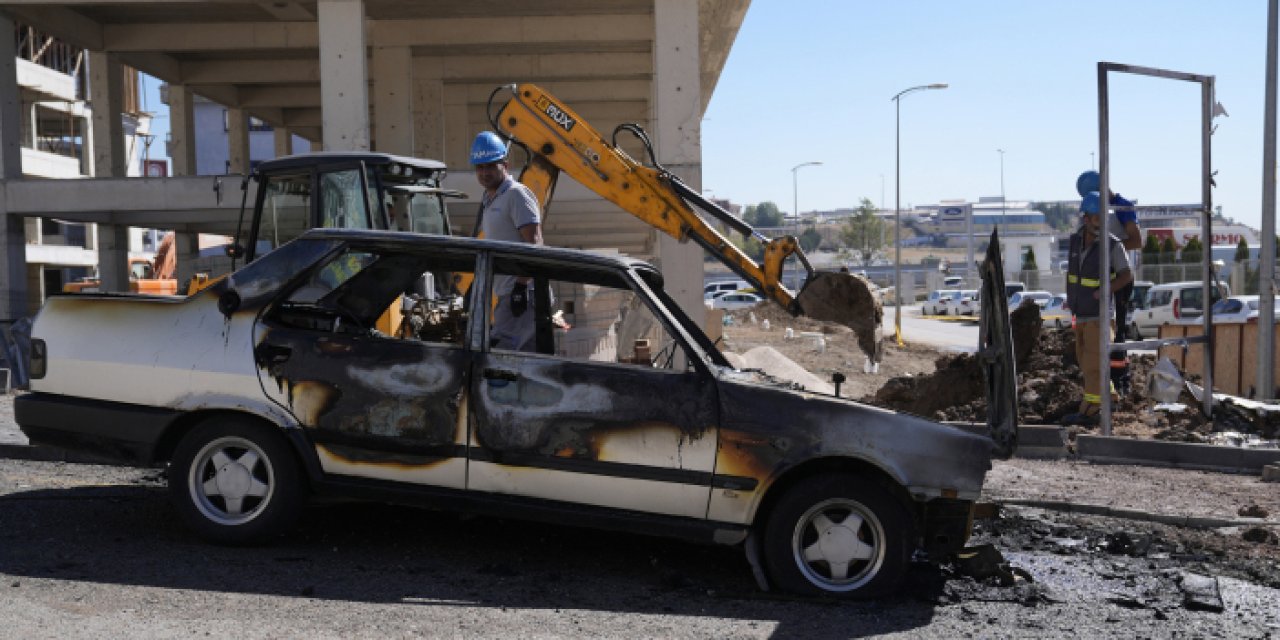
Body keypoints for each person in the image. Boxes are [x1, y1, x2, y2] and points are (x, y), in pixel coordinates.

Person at [1063, 190, 1134, 426]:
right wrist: (1070, 299)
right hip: (1080, 313)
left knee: (1094, 365)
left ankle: (1092, 410)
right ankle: (1110, 397)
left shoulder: (1112, 245)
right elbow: (1073, 276)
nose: (1101, 223)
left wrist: (1105, 290)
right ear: (1086, 218)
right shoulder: (1074, 242)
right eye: (1096, 218)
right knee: (1087, 363)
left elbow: (1126, 275)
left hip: (1099, 316)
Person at [471, 130, 544, 352]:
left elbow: (535, 243)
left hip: (523, 293)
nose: (485, 172)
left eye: (491, 166)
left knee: (504, 357)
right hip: (506, 293)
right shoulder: (490, 199)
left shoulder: (516, 195)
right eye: (480, 167)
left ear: (505, 164)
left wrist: (521, 287)